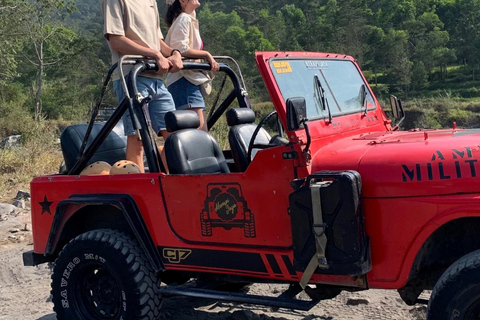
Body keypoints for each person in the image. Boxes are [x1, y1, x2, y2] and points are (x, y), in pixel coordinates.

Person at [102, 0, 183, 172]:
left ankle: (176, 185)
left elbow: (157, 40)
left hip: (156, 77)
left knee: (174, 133)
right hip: (132, 74)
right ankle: (138, 187)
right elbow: (116, 40)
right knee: (138, 137)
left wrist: (175, 53)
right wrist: (153, 54)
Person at [165, 0, 219, 132]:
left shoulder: (187, 19)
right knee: (198, 133)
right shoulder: (183, 19)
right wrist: (206, 54)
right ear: (182, 1)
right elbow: (180, 49)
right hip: (184, 81)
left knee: (195, 132)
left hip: (188, 81)